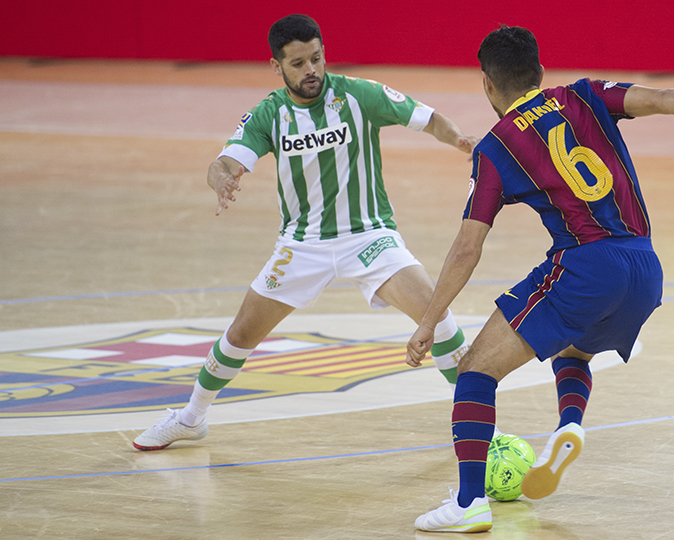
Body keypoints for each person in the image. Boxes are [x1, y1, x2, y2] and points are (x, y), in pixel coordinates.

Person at [405, 25, 674, 533]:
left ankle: (469, 502)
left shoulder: (496, 148)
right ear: (539, 73)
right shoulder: (584, 95)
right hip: (646, 267)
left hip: (588, 265)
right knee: (574, 350)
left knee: (475, 372)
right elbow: (665, 99)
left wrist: (429, 321)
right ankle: (568, 426)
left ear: (487, 85)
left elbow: (467, 248)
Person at [132, 14, 475, 451]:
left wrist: (459, 139)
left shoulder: (359, 95)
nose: (311, 70)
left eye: (316, 58)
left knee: (437, 316)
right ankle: (190, 418)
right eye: (298, 63)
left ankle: (478, 425)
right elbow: (224, 162)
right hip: (302, 244)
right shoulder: (269, 114)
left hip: (368, 236)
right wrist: (220, 178)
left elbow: (427, 118)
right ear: (277, 67)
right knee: (240, 335)